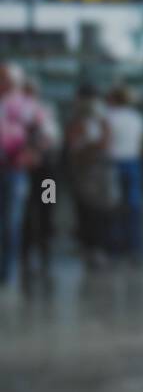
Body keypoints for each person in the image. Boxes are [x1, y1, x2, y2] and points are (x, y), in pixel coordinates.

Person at [0, 63, 46, 285]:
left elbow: (40, 133)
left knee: (12, 221)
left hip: (15, 171)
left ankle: (7, 270)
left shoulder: (26, 106)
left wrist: (32, 154)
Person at [66, 84, 115, 269]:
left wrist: (91, 146)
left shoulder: (102, 120)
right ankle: (91, 247)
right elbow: (76, 149)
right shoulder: (77, 122)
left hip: (99, 173)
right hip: (85, 173)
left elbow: (104, 144)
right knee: (87, 210)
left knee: (99, 211)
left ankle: (97, 247)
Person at [20, 79, 61, 278]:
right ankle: (28, 244)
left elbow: (52, 138)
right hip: (29, 168)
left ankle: (45, 241)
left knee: (47, 205)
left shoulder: (45, 111)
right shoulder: (19, 113)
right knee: (28, 207)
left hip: (46, 169)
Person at [103, 84, 143, 265]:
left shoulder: (108, 117)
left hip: (113, 163)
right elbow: (140, 144)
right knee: (133, 206)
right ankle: (134, 246)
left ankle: (115, 246)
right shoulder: (137, 118)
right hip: (133, 162)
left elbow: (105, 142)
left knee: (113, 206)